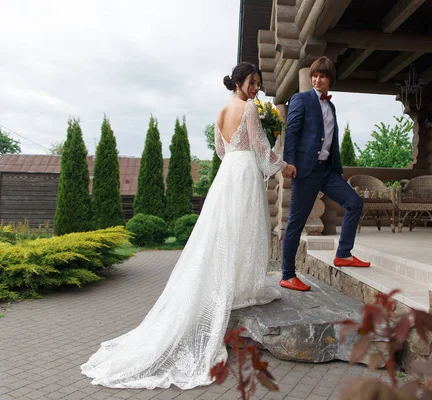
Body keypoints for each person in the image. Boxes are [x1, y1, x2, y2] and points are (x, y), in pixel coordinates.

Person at [81, 62, 295, 390]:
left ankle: (229, 284)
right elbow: (262, 150)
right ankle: (237, 287)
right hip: (244, 174)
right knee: (243, 233)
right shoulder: (251, 108)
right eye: (253, 82)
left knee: (222, 234)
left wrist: (240, 162)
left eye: (258, 83)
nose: (256, 88)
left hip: (227, 177)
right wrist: (284, 166)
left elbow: (222, 151)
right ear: (239, 82)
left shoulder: (222, 111)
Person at [280, 56, 371, 292]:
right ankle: (288, 275)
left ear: (330, 79)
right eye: (314, 75)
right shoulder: (301, 99)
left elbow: (332, 142)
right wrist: (288, 162)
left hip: (327, 171)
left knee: (354, 203)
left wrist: (337, 171)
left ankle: (343, 254)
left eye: (322, 76)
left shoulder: (330, 106)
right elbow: (292, 132)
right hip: (306, 171)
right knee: (296, 223)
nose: (317, 79)